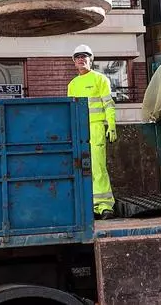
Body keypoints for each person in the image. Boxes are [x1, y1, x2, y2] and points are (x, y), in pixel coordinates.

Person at [67, 44, 117, 220]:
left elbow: (108, 104)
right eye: (78, 57)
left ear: (91, 59)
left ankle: (105, 206)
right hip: (80, 131)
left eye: (85, 56)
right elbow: (70, 110)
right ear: (74, 62)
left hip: (96, 128)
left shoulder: (100, 79)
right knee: (82, 168)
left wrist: (111, 125)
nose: (81, 59)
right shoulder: (72, 84)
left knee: (98, 168)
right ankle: (91, 206)